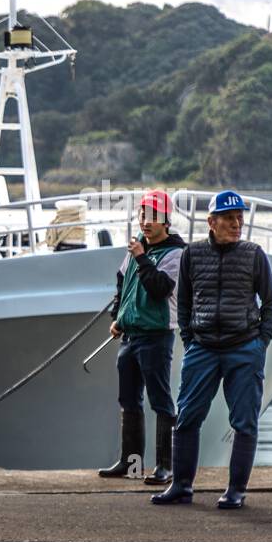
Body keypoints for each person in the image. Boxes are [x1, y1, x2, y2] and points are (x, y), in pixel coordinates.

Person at [152, 190, 272, 509]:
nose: (237, 224)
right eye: (229, 218)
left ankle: (235, 490)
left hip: (244, 348)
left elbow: (271, 302)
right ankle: (181, 486)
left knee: (244, 421)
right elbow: (183, 301)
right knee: (187, 417)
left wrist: (260, 342)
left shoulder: (254, 254)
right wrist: (190, 338)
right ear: (211, 222)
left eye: (240, 218)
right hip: (202, 348)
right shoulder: (192, 255)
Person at [98, 190, 185, 483]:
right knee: (128, 399)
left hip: (157, 335)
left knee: (160, 399)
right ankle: (130, 463)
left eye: (154, 217)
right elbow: (123, 281)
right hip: (131, 336)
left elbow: (160, 288)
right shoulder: (137, 250)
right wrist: (117, 318)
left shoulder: (176, 254)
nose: (146, 222)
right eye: (143, 215)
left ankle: (165, 466)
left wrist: (142, 257)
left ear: (167, 221)